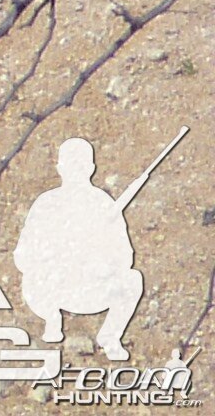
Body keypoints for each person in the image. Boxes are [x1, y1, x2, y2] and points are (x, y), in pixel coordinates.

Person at [16, 137, 148, 361]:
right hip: (52, 288)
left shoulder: (103, 204)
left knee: (132, 280)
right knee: (33, 279)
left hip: (90, 288)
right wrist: (52, 258)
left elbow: (125, 255)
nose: (76, 171)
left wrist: (102, 263)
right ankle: (52, 320)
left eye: (81, 165)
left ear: (91, 168)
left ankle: (110, 335)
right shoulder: (46, 204)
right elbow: (23, 255)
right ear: (60, 168)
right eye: (71, 164)